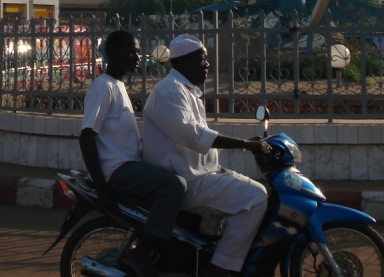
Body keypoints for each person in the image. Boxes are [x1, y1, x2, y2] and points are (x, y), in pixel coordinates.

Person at [142, 34, 272, 277]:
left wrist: (248, 144)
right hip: (187, 179)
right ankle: (221, 267)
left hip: (201, 174)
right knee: (255, 199)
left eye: (206, 60)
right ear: (181, 63)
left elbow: (200, 138)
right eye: (201, 60)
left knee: (257, 191)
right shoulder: (170, 92)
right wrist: (244, 144)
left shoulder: (186, 90)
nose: (207, 65)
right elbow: (193, 135)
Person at [80, 31, 186, 277]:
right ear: (113, 55)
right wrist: (101, 187)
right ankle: (143, 251)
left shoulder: (118, 85)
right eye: (130, 52)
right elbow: (87, 136)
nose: (137, 57)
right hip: (117, 171)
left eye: (138, 51)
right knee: (174, 186)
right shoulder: (103, 87)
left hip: (130, 166)